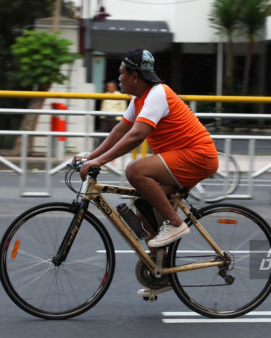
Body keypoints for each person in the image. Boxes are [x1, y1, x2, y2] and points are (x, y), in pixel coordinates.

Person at [78, 49, 219, 294]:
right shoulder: (138, 100)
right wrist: (91, 157)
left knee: (136, 171)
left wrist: (99, 162)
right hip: (178, 159)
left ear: (134, 76)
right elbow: (120, 131)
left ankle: (175, 223)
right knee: (143, 206)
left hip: (197, 156)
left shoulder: (158, 94)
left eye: (121, 73)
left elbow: (136, 135)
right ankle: (160, 273)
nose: (118, 78)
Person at [96, 81, 127, 146]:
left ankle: (115, 149)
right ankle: (101, 149)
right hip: (105, 117)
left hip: (115, 118)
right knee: (102, 135)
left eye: (111, 87)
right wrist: (102, 116)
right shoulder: (105, 94)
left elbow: (123, 107)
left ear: (115, 87)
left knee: (115, 135)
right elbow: (103, 106)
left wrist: (120, 118)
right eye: (108, 87)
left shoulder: (120, 95)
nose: (109, 88)